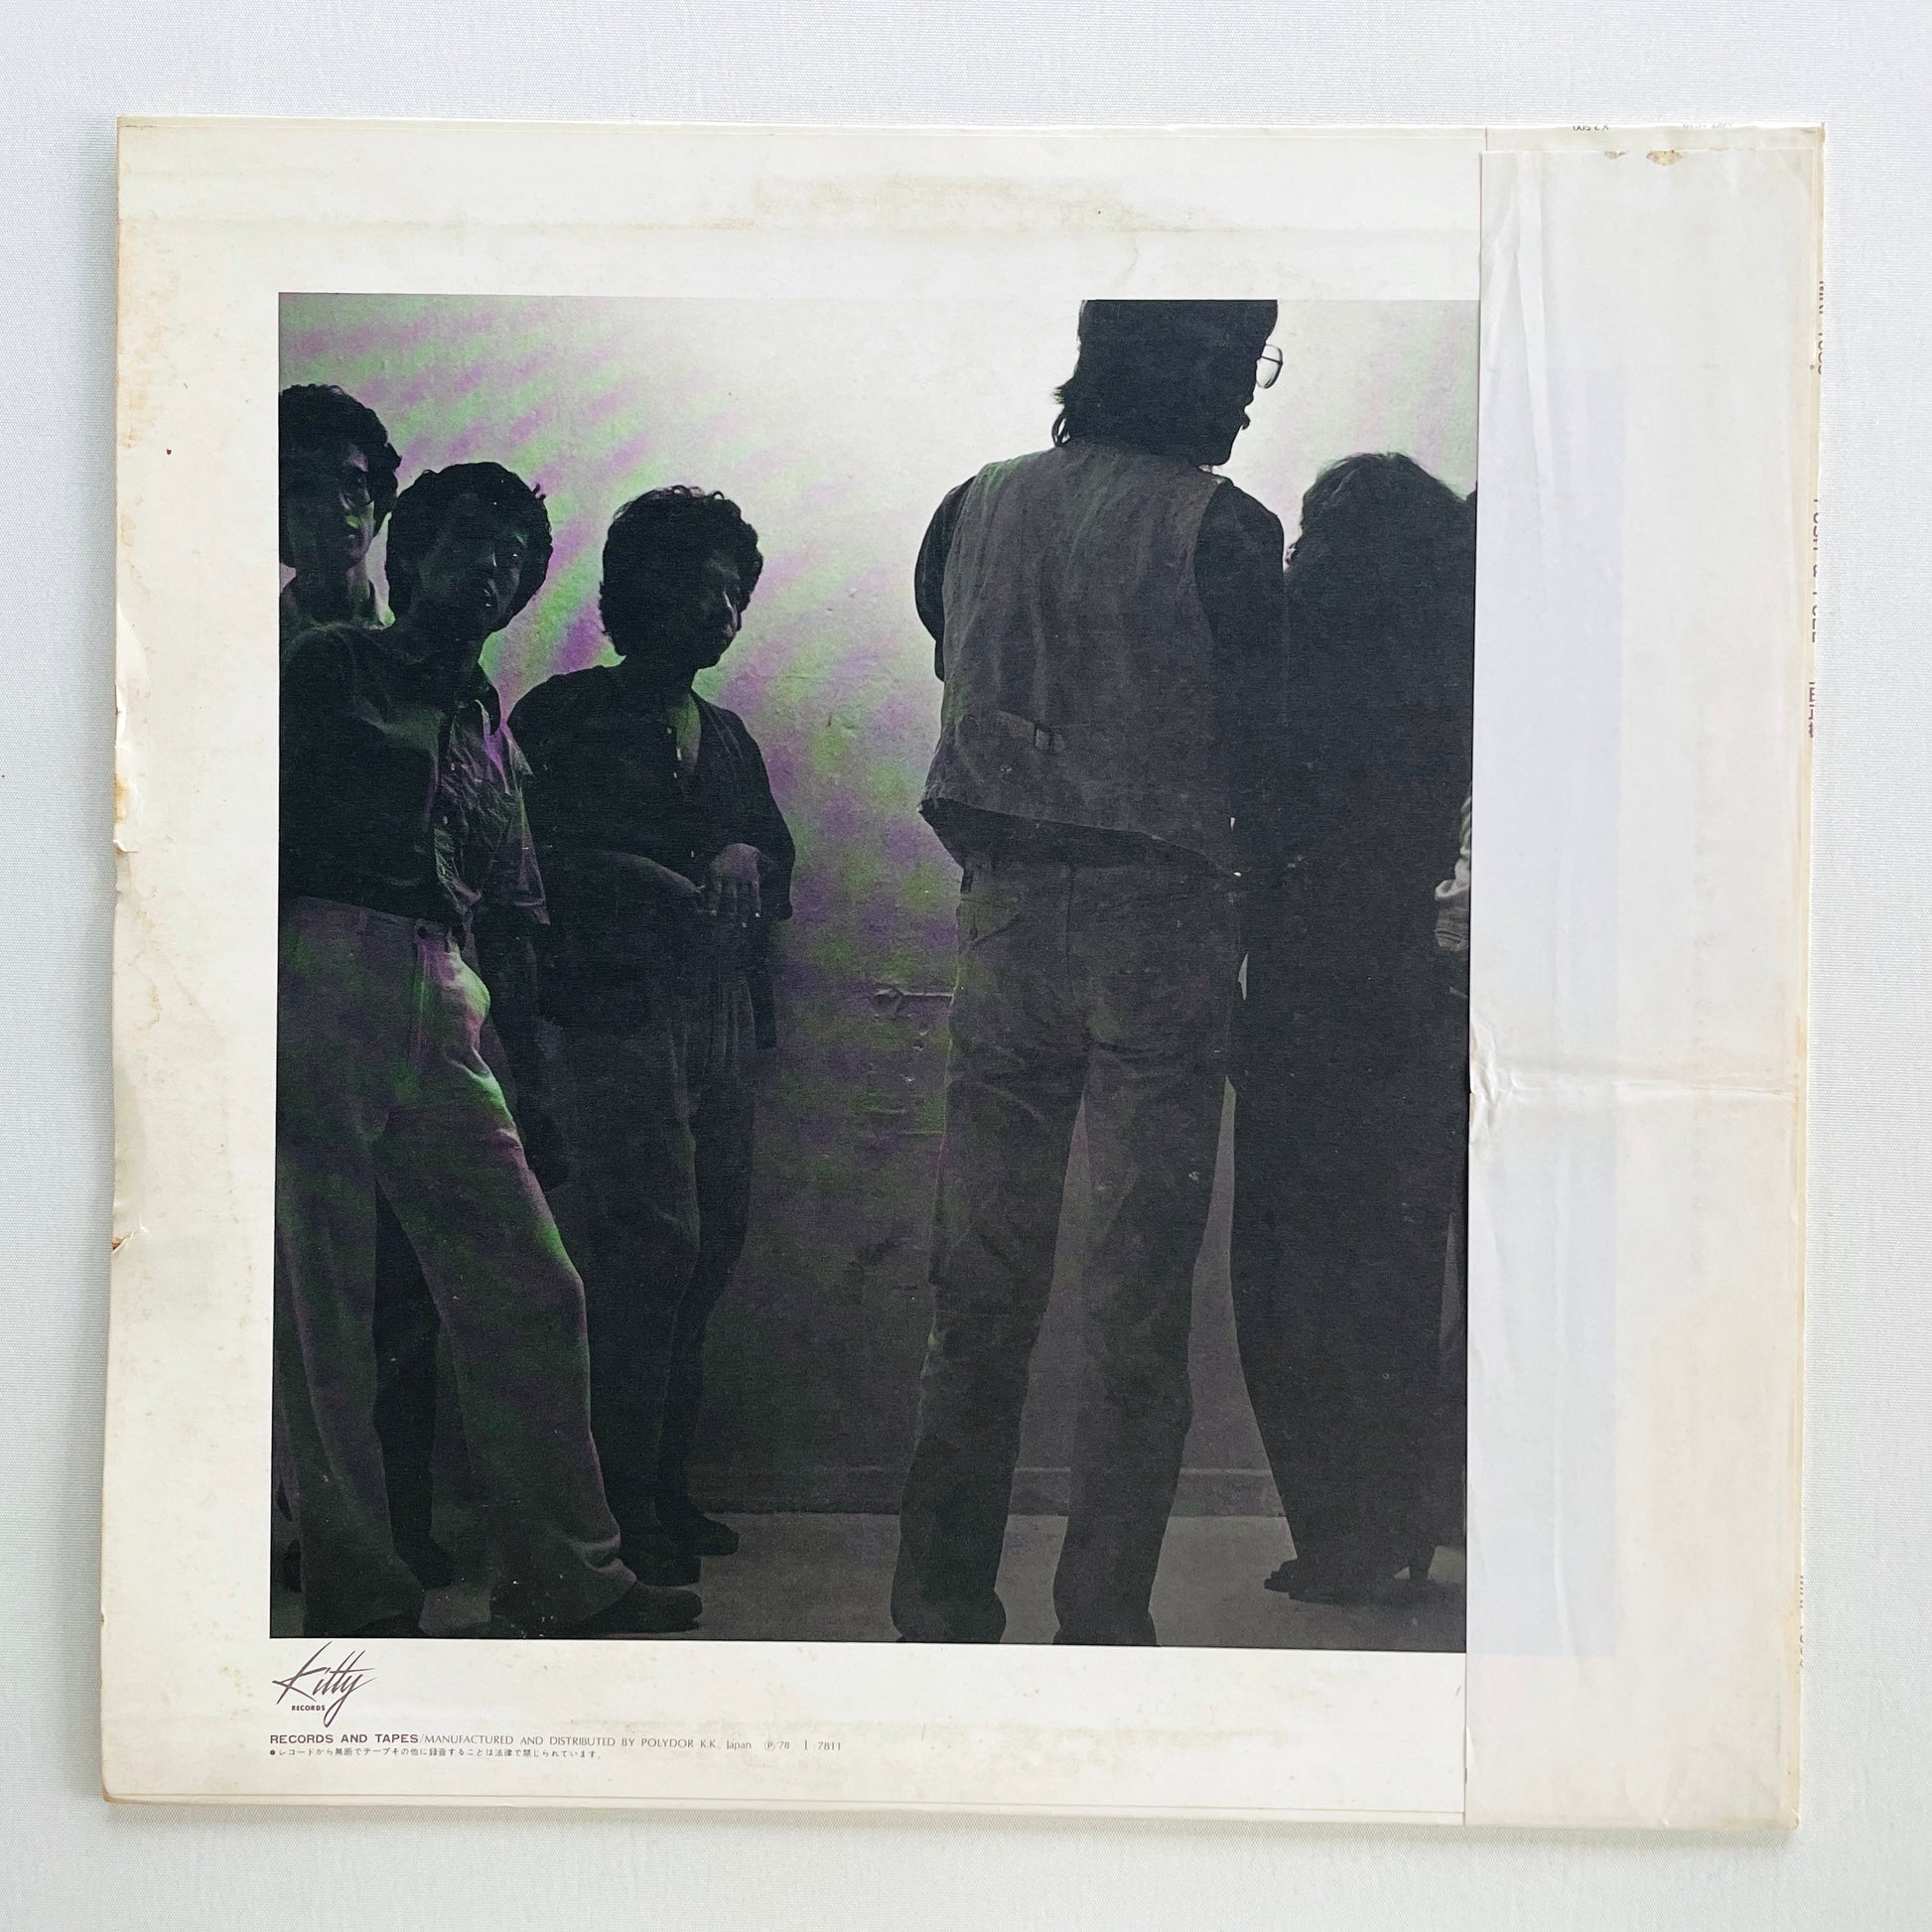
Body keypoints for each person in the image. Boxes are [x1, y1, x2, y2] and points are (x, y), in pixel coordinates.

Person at [892, 299, 1289, 1645]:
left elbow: (955, 653)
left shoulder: (970, 505)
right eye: (1238, 362)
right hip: (1160, 920)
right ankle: (1102, 1614)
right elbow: (1257, 750)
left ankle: (939, 1602)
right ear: (1179, 362)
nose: (1246, 395)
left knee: (976, 1291)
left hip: (1005, 911)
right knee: (1134, 1303)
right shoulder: (1224, 529)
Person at [276, 459, 700, 1639]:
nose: (496, 566)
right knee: (323, 1301)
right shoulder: (333, 664)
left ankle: (566, 1576)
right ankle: (356, 1592)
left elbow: (511, 911)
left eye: (516, 556)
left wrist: (531, 1082)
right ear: (414, 553)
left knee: (531, 1284)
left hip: (442, 982)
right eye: (472, 539)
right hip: (321, 955)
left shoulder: (488, 725)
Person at [510, 486, 794, 1587]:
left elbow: (774, 865)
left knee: (705, 1252)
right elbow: (517, 861)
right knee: (649, 1254)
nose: (721, 612)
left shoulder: (726, 734)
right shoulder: (562, 713)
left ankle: (662, 1487)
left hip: (715, 1016)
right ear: (637, 592)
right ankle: (620, 1505)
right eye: (699, 586)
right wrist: (631, 875)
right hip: (611, 1011)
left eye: (734, 592)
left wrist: (745, 855)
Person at [1228, 453, 1475, 1604]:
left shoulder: (1285, 660)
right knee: (1391, 1269)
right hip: (1408, 987)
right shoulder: (1446, 667)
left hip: (1301, 979)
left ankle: (1337, 1530)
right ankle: (1390, 1524)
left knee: (1289, 1267)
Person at [276, 383, 453, 1598]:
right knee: (313, 1282)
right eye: (296, 485)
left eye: (348, 484)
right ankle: (331, 1534)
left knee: (418, 1272)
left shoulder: (425, 655)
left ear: (380, 502)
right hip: (299, 982)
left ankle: (401, 1519)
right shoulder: (251, 654)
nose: (329, 509)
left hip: (424, 987)